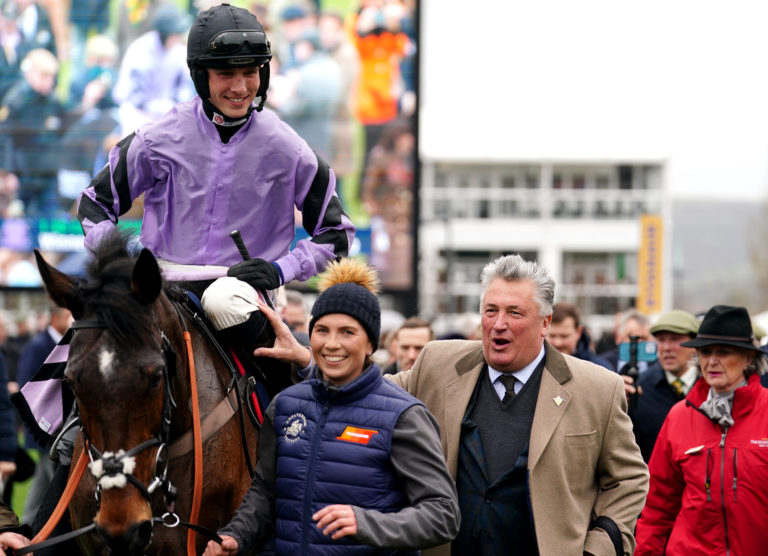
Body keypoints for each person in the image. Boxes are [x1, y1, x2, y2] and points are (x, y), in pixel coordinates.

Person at [77, 3, 355, 391]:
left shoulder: (287, 147)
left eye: (250, 72)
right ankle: (67, 436)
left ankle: (285, 413)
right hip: (161, 289)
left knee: (223, 298)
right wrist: (122, 266)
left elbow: (336, 234)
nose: (240, 88)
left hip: (240, 294)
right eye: (226, 73)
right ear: (199, 76)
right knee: (87, 339)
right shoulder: (157, 138)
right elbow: (95, 204)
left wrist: (280, 270)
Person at [388, 254, 649, 555]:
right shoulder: (437, 365)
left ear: (545, 323)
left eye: (515, 313)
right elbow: (372, 395)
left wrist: (600, 547)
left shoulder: (598, 389)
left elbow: (629, 479)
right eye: (490, 311)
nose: (499, 324)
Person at [203, 258, 460, 555]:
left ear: (370, 345)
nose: (331, 344)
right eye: (322, 330)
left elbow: (443, 515)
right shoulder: (285, 405)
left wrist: (366, 524)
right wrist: (236, 535)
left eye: (347, 332)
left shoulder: (404, 416)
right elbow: (265, 492)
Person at [635, 305, 768, 555]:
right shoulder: (680, 416)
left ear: (749, 358)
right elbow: (657, 507)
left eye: (724, 352)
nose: (712, 361)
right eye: (705, 352)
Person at [16, 306, 71, 524]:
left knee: (40, 491)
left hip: (55, 428)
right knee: (58, 492)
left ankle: (28, 528)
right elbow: (27, 385)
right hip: (46, 428)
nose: (71, 319)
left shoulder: (63, 343)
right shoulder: (38, 345)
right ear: (55, 318)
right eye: (67, 315)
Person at [626, 309, 699, 462]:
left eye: (675, 339)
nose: (666, 347)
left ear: (694, 344)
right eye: (661, 340)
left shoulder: (710, 388)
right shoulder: (639, 389)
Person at [548, 301, 612, 370]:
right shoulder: (537, 366)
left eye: (564, 336)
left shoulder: (600, 369)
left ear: (578, 332)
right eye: (552, 336)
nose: (558, 343)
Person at [599, 308, 653, 373]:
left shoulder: (657, 366)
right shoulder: (601, 364)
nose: (638, 343)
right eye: (632, 338)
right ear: (618, 337)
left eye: (643, 338)